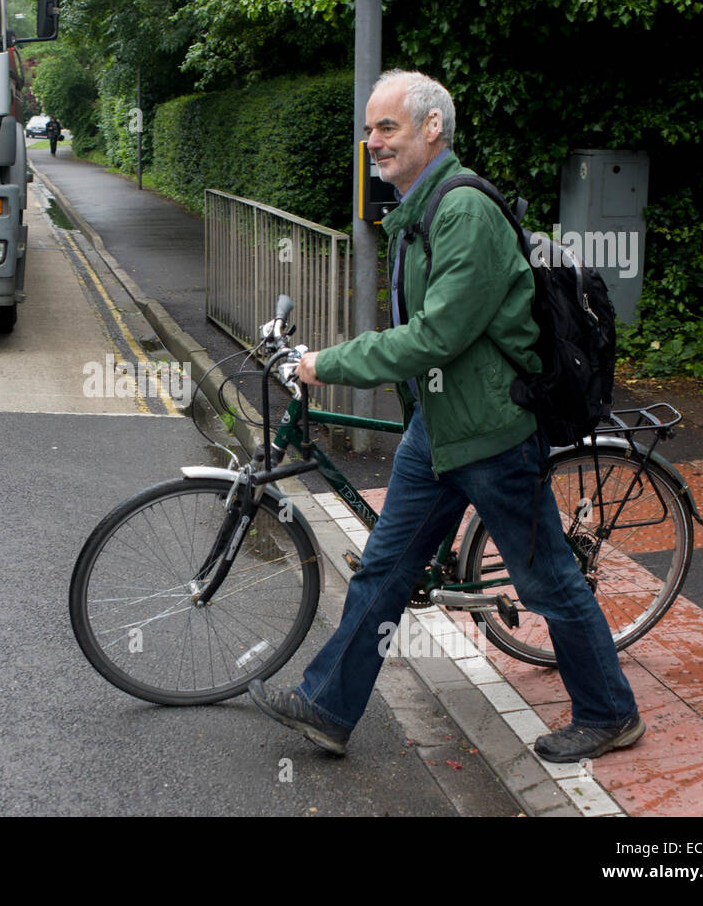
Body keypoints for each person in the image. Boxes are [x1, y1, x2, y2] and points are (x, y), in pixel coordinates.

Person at [248, 69, 645, 765]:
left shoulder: (462, 211)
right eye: (369, 129)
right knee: (384, 571)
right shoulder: (417, 206)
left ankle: (611, 712)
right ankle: (328, 706)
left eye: (387, 127)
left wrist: (325, 364)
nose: (372, 142)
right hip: (441, 431)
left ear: (433, 128)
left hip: (490, 433)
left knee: (547, 578)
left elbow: (437, 336)